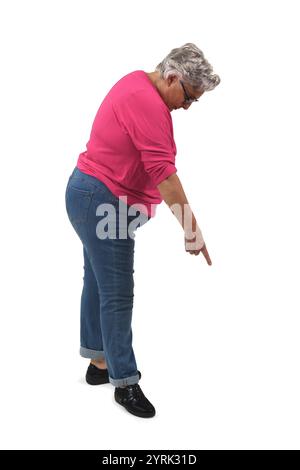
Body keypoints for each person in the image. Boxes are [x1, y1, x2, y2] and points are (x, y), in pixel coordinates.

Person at [65, 42, 220, 418]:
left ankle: (98, 363)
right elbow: (164, 175)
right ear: (172, 77)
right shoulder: (147, 103)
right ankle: (124, 382)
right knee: (117, 294)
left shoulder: (137, 82)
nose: (187, 107)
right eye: (189, 97)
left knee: (98, 283)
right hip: (104, 202)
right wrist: (191, 229)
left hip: (88, 193)